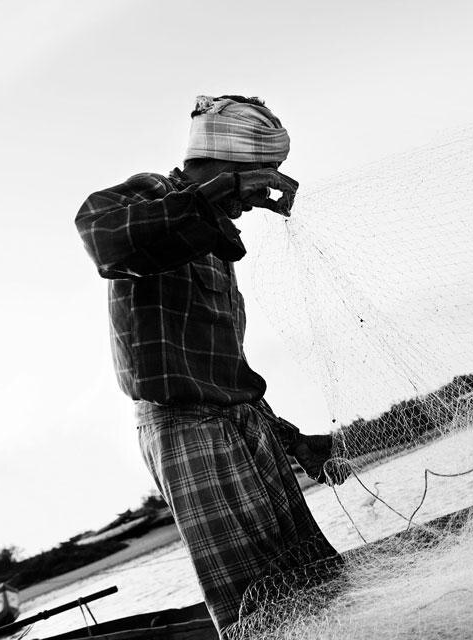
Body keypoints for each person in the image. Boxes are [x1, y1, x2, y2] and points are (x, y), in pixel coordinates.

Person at [75, 95, 349, 635]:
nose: (260, 194)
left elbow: (224, 374)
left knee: (317, 587)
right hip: (187, 431)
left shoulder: (214, 241)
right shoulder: (151, 195)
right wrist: (221, 193)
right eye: (261, 176)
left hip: (244, 427)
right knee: (263, 612)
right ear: (229, 163)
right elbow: (103, 241)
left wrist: (291, 440)